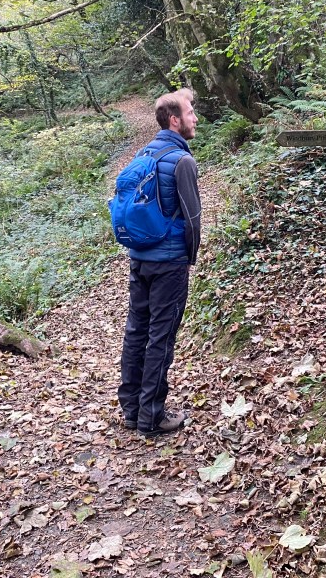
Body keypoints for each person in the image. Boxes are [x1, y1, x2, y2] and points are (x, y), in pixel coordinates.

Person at [118, 88, 202, 438]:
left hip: (139, 259)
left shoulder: (144, 153)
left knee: (136, 332)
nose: (195, 118)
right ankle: (151, 417)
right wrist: (189, 258)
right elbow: (192, 218)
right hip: (169, 264)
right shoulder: (182, 161)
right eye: (190, 112)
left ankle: (131, 409)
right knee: (160, 338)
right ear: (174, 120)